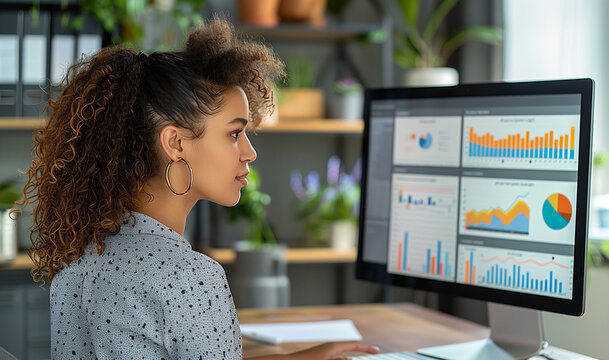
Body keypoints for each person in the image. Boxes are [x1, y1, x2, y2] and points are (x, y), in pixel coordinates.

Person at [14, 17, 380, 360]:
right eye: (234, 133)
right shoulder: (190, 278)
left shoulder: (78, 265)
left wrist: (308, 356)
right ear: (175, 143)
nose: (249, 152)